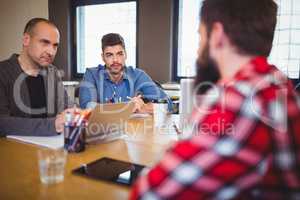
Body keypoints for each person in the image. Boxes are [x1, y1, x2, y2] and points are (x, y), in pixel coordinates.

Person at [130, 0, 300, 199]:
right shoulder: (277, 82)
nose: (197, 49)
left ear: (217, 35)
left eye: (200, 36)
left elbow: (148, 194)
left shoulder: (239, 98)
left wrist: (172, 154)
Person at [0, 18, 69, 137]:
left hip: (51, 148)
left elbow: (65, 108)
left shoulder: (53, 72)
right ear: (26, 40)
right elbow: (2, 123)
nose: (51, 52)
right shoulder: (3, 72)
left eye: (55, 46)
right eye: (45, 43)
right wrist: (53, 125)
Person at [79, 33, 171, 113]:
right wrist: (126, 108)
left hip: (133, 130)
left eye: (119, 54)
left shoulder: (138, 75)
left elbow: (168, 104)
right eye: (109, 55)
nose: (115, 60)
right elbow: (86, 106)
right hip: (102, 130)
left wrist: (144, 108)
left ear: (125, 54)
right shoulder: (91, 74)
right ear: (103, 57)